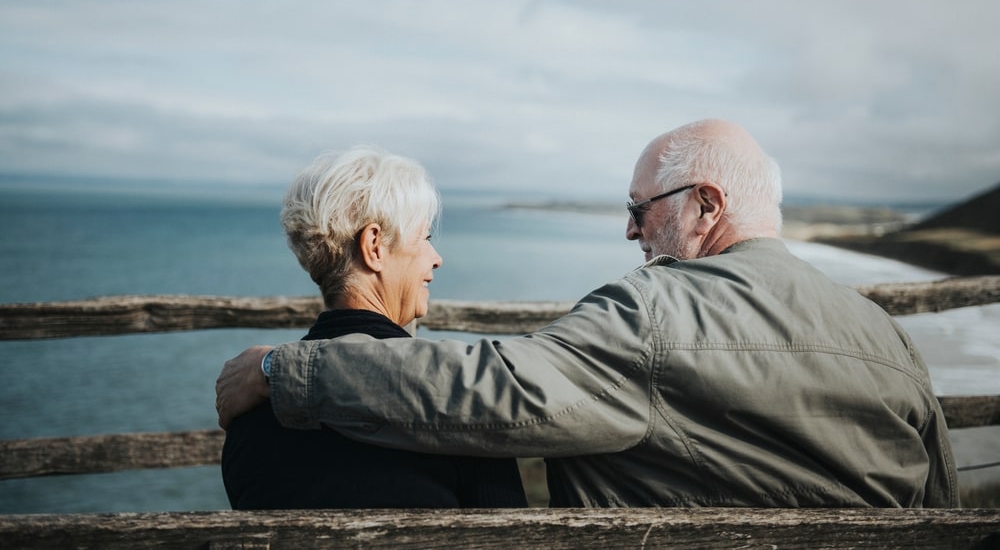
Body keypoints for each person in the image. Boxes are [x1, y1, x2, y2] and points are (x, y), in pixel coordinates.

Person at [217, 119, 958, 508]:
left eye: (639, 210)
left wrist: (285, 370)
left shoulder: (656, 314)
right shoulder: (888, 338)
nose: (630, 232)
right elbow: (941, 499)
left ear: (706, 205)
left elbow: (497, 395)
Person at [220, 146, 527, 509]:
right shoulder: (460, 407)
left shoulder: (248, 415)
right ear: (374, 246)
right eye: (425, 238)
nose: (436, 258)